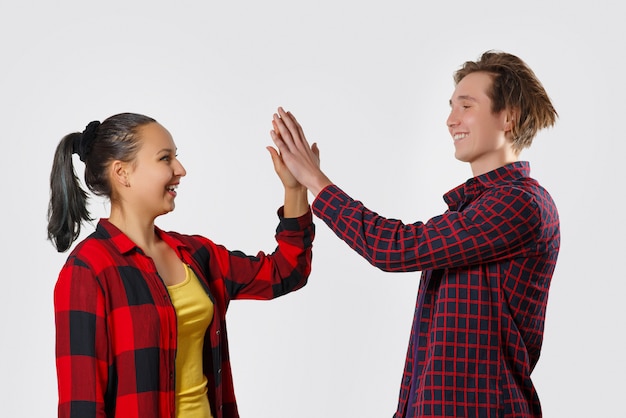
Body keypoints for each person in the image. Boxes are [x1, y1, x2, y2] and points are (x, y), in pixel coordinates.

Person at [269, 50, 560, 417]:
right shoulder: (475, 209)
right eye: (451, 106)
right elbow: (432, 355)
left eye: (466, 106)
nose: (451, 120)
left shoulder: (519, 204)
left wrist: (316, 181)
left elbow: (395, 248)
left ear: (509, 118)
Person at [47, 112, 315, 418]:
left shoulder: (196, 254)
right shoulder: (89, 269)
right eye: (165, 158)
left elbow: (286, 272)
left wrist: (296, 190)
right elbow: (80, 407)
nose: (180, 169)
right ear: (122, 173)